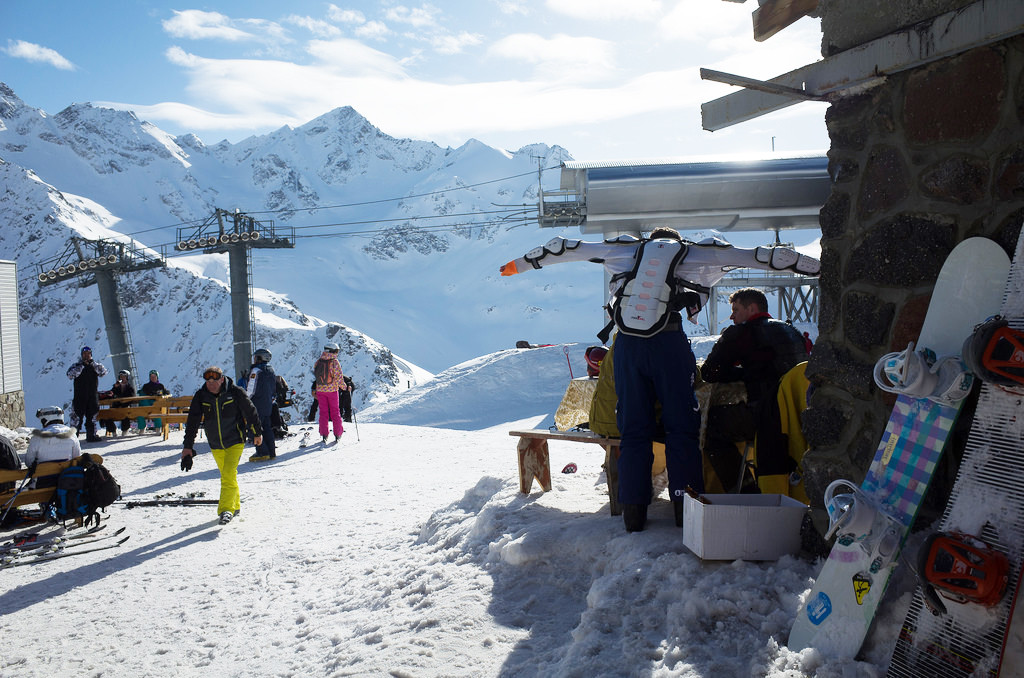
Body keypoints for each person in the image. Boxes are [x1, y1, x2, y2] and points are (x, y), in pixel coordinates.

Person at [500, 229, 819, 532]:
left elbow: (564, 248)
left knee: (633, 431)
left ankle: (633, 513)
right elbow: (761, 256)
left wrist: (518, 265)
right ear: (676, 241)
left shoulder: (623, 251)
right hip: (669, 344)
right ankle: (685, 509)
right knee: (682, 429)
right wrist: (818, 267)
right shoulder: (694, 254)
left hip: (627, 346)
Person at [700, 288, 812, 493]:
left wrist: (744, 374)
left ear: (751, 309)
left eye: (736, 310)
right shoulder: (791, 331)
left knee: (708, 428)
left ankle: (745, 490)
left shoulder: (742, 334)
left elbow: (710, 372)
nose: (732, 316)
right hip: (800, 415)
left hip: (765, 416)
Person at [180, 365, 263, 524]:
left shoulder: (235, 392)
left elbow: (250, 411)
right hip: (216, 443)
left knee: (227, 475)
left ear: (222, 379)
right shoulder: (201, 396)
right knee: (229, 476)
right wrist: (188, 447)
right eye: (208, 381)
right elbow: (192, 423)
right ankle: (235, 505)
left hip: (235, 441)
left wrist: (257, 432)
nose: (211, 384)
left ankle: (226, 510)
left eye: (215, 380)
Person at [25, 406, 81, 488]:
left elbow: (29, 462)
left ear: (45, 419)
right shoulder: (71, 434)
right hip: (67, 482)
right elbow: (77, 458)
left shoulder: (37, 437)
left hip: (42, 484)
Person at [66, 346, 108, 442]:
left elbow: (103, 372)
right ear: (81, 355)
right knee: (76, 418)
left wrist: (92, 364)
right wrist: (82, 366)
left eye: (88, 354)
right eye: (84, 354)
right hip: (79, 396)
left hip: (92, 396)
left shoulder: (95, 365)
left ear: (91, 355)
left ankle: (91, 436)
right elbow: (70, 375)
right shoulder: (76, 366)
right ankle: (73, 438)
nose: (86, 356)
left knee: (92, 417)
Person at [244, 348, 277, 462]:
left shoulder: (256, 370)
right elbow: (273, 387)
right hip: (267, 404)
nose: (254, 359)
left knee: (254, 428)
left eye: (255, 357)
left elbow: (251, 388)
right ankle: (271, 452)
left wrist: (245, 399)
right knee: (267, 428)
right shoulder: (270, 369)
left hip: (256, 404)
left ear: (260, 358)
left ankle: (262, 452)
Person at [313, 342, 346, 445]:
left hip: (320, 391)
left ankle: (324, 434)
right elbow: (339, 377)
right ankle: (337, 433)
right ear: (333, 351)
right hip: (332, 391)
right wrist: (345, 387)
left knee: (323, 412)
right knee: (335, 412)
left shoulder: (318, 361)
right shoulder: (334, 362)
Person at [104, 369, 136, 437]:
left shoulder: (129, 388)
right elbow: (110, 395)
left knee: (125, 414)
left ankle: (125, 430)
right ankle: (113, 430)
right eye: (121, 376)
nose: (122, 378)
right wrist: (114, 388)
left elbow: (131, 399)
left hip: (125, 406)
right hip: (116, 405)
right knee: (106, 415)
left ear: (127, 378)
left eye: (124, 376)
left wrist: (123, 404)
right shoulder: (116, 387)